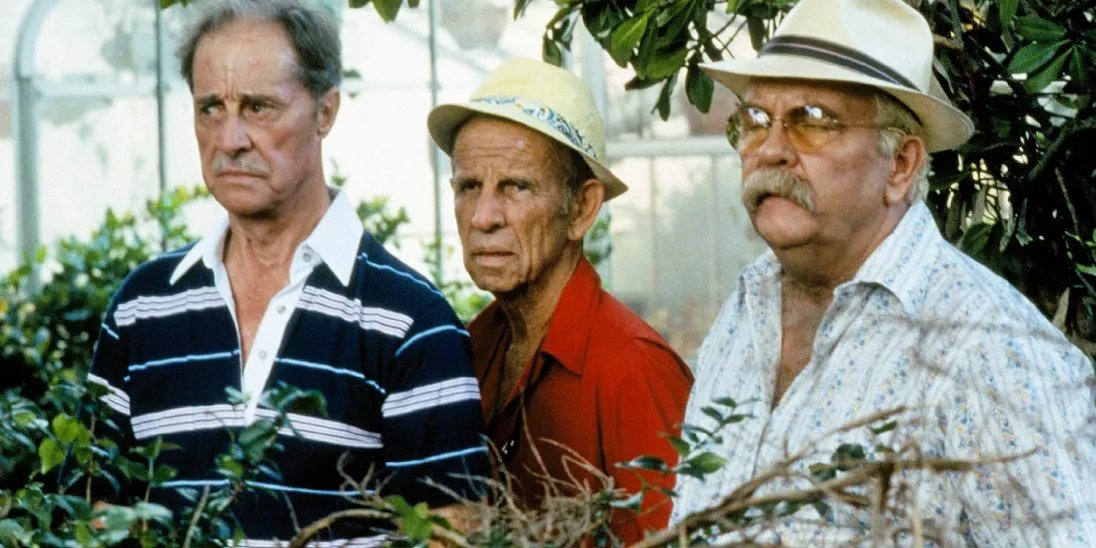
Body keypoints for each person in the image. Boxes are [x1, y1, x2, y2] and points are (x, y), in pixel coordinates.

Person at [670, 0, 1096, 545]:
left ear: (900, 165)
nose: (770, 150)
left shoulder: (990, 348)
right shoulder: (746, 307)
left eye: (812, 120)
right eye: (753, 120)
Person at [85, 0, 487, 543]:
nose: (230, 139)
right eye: (210, 108)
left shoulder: (411, 322)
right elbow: (95, 512)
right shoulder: (142, 308)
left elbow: (454, 532)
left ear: (326, 112)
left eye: (258, 107)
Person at [426, 58, 694, 543]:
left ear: (582, 208)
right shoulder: (472, 345)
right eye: (469, 186)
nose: (483, 217)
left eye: (516, 187)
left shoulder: (633, 371)